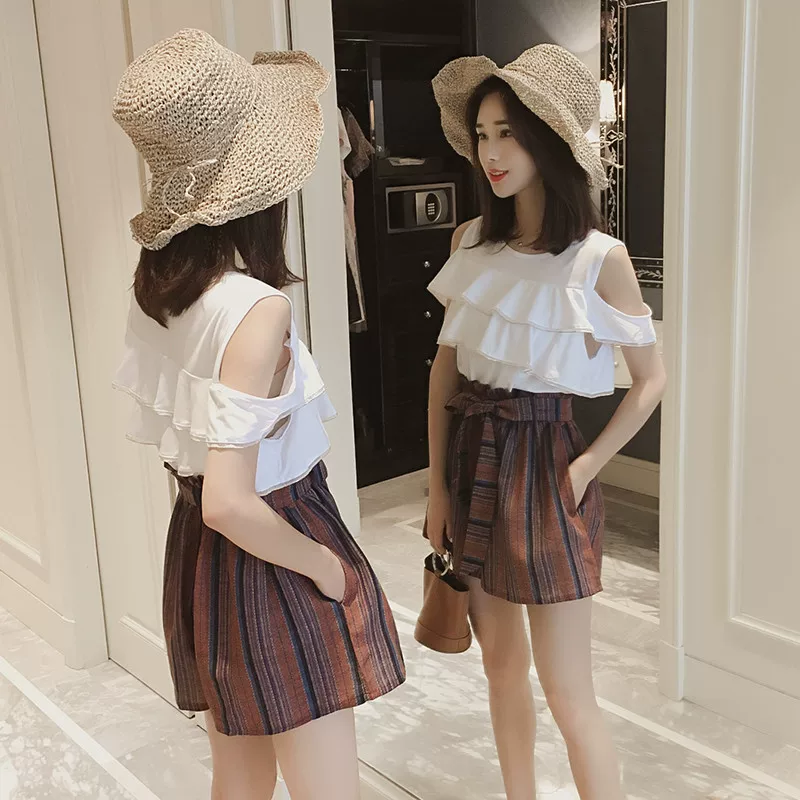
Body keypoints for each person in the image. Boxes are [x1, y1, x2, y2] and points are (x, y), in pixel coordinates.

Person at [111, 29, 405, 800]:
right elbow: (232, 502)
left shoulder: (156, 289)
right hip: (273, 546)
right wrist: (328, 568)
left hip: (201, 559)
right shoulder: (254, 306)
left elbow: (203, 489)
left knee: (239, 779)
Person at [425, 45, 666, 799]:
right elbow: (444, 371)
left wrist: (586, 468)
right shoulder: (470, 241)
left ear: (549, 143)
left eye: (509, 134)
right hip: (473, 454)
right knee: (501, 670)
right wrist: (437, 490)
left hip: (547, 461)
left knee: (567, 690)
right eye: (483, 135)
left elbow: (651, 380)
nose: (491, 154)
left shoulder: (599, 258)